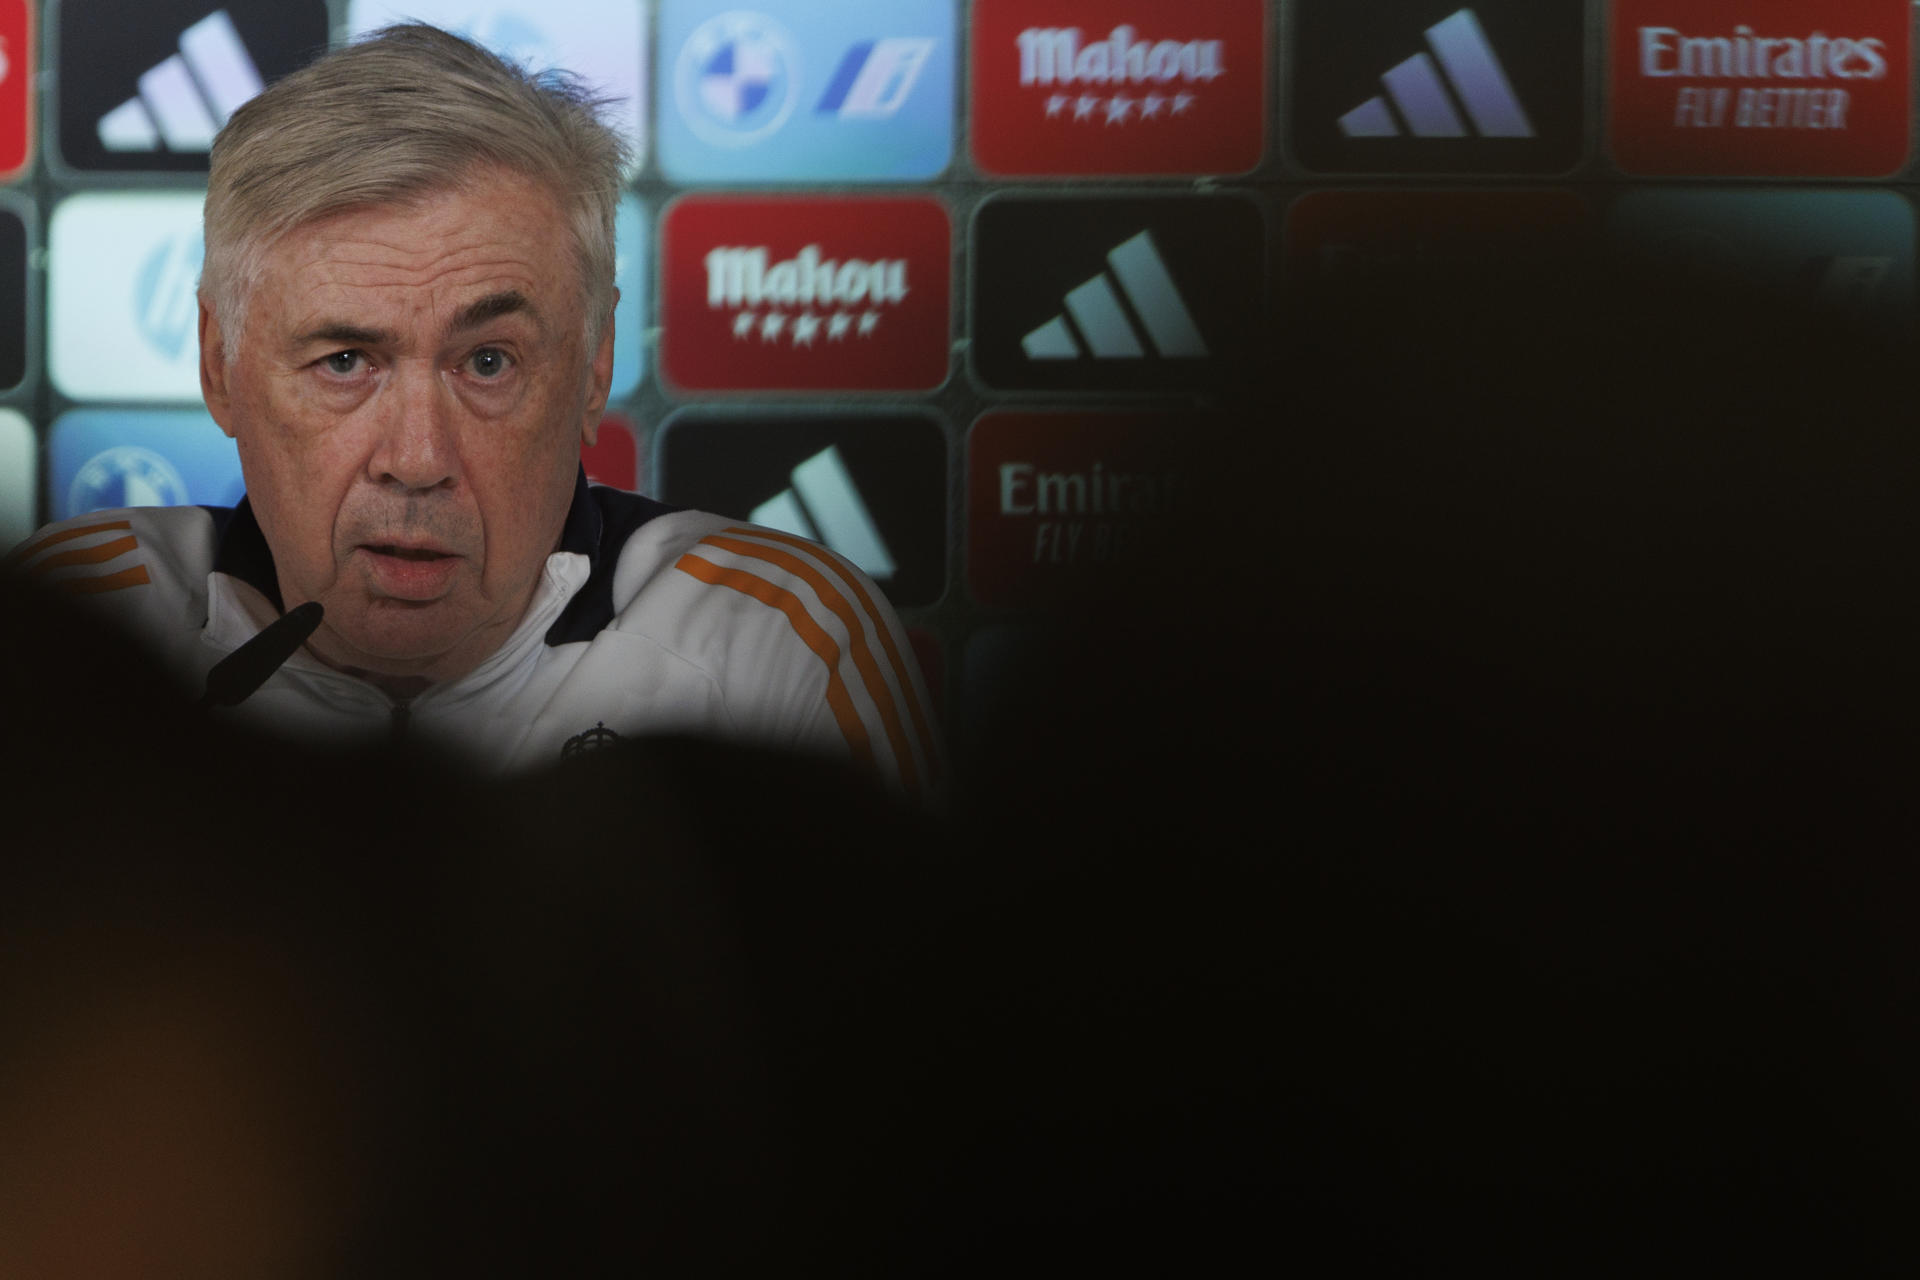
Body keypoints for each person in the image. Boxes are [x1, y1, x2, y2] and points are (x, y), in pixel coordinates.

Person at [6, 24, 938, 795]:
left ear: (593, 363)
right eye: (344, 361)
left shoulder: (774, 645)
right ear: (219, 366)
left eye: (487, 362)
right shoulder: (79, 633)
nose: (417, 458)